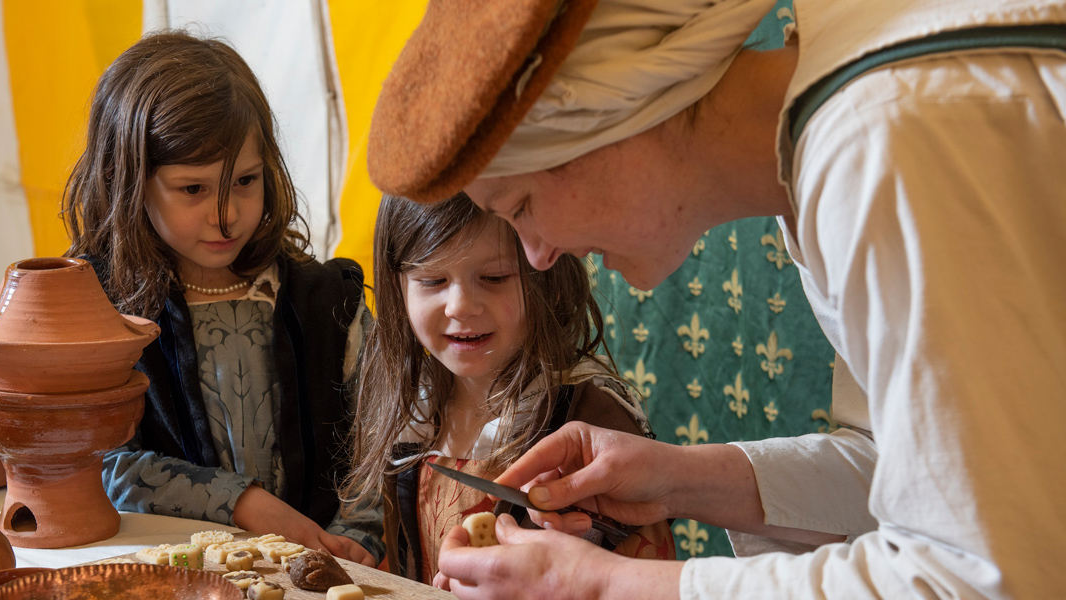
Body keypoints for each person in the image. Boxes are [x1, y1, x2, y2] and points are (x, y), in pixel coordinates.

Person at [364, 0, 1066, 597]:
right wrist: (678, 479)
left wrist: (608, 583)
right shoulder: (838, 137)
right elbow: (916, 469)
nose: (539, 254)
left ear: (609, 115)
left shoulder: (879, 143)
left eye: (521, 206)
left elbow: (978, 575)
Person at [62, 31, 381, 566]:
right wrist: (246, 504)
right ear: (128, 180)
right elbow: (99, 466)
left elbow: (381, 437)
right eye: (194, 189)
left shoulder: (328, 302)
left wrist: (358, 538)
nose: (225, 214)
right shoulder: (100, 313)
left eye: (245, 181)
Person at [338, 192, 674, 584]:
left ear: (550, 276)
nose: (460, 306)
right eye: (432, 280)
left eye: (494, 277)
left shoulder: (591, 419)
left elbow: (646, 578)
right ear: (398, 288)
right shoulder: (414, 412)